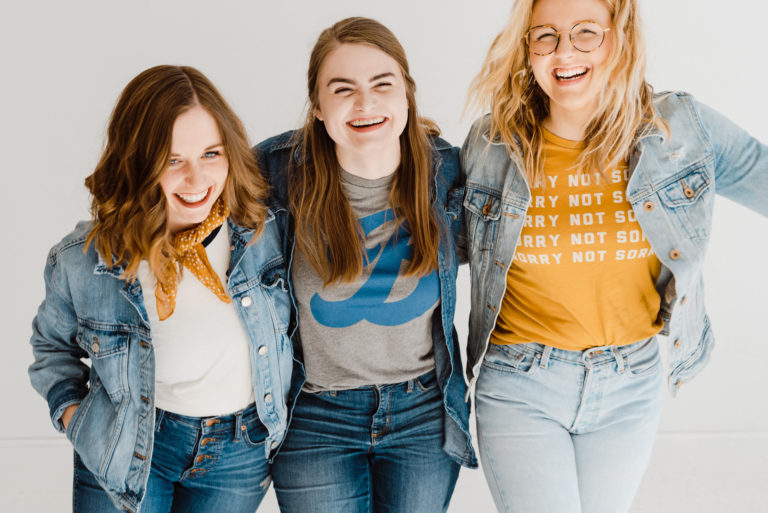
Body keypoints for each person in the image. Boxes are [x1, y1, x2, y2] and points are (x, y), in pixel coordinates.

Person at [462, 0, 768, 512]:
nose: (564, 52)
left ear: (619, 38)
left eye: (586, 33)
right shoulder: (494, 144)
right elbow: (424, 241)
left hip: (631, 384)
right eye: (546, 36)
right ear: (527, 48)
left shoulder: (680, 129)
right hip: (522, 385)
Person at [28, 65, 298, 513]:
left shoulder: (263, 233)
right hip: (129, 446)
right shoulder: (85, 259)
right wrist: (79, 421)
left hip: (238, 453)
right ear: (137, 160)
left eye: (211, 154)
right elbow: (51, 351)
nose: (196, 181)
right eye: (173, 160)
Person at [255, 16, 477, 513]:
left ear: (406, 96)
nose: (365, 104)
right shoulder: (276, 174)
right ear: (317, 106)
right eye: (342, 89)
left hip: (423, 411)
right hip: (315, 416)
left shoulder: (449, 173)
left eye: (383, 84)